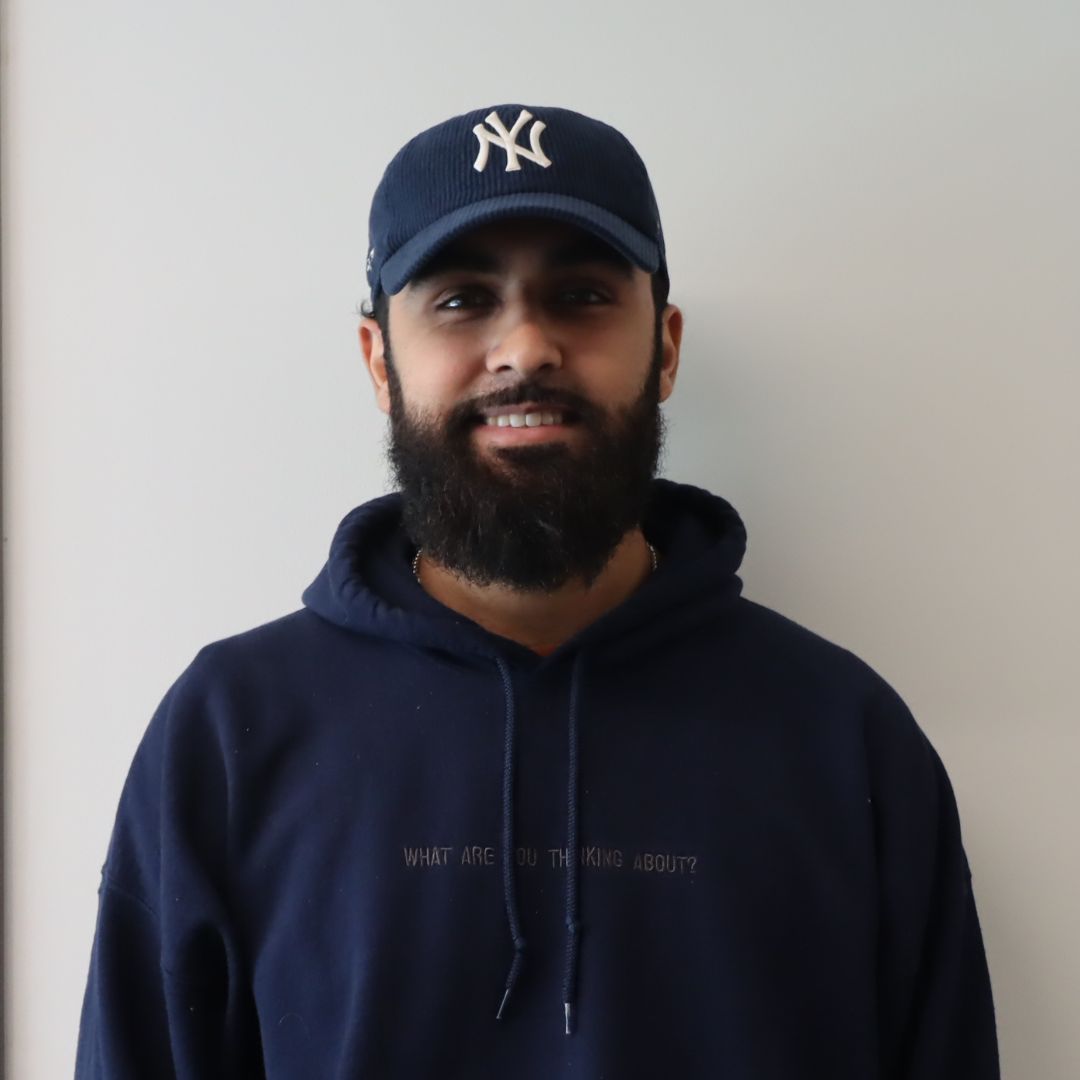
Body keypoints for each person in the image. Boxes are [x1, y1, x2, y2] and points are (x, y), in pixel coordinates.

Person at [75, 103, 1000, 1078]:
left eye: (583, 295)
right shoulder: (230, 730)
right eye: (461, 300)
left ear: (666, 347)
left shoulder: (844, 735)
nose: (525, 349)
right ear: (379, 361)